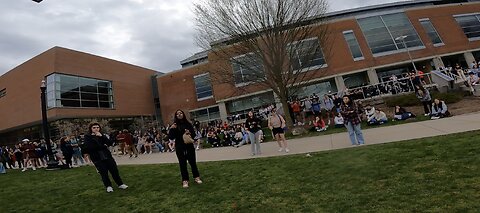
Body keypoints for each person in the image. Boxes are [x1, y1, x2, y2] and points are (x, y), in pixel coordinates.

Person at [82, 123, 128, 193]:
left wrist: (102, 137)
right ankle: (108, 186)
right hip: (97, 157)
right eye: (94, 127)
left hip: (107, 155)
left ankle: (120, 184)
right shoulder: (88, 137)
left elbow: (109, 143)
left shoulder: (102, 135)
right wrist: (103, 145)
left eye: (97, 127)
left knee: (114, 170)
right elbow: (90, 147)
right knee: (103, 173)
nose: (96, 129)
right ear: (91, 129)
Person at [168, 110, 203, 188]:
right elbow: (171, 137)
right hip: (180, 147)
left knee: (193, 163)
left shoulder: (188, 124)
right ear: (176, 116)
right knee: (182, 164)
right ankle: (185, 180)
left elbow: (194, 135)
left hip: (189, 146)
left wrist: (189, 133)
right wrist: (171, 128)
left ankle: (196, 177)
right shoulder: (175, 125)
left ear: (183, 114)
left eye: (180, 113)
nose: (179, 115)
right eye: (177, 114)